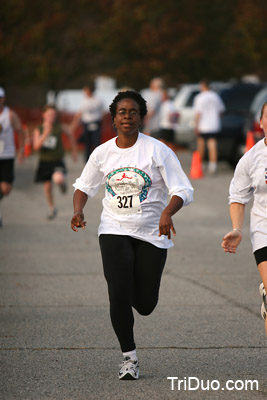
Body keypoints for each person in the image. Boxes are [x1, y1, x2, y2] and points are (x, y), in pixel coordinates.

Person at [71, 90, 194, 380]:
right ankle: (129, 357)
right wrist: (78, 210)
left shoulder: (157, 150)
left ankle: (137, 302)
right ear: (113, 119)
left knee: (146, 304)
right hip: (113, 229)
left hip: (152, 233)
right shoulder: (102, 152)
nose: (127, 116)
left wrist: (167, 212)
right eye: (122, 112)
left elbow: (183, 189)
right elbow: (84, 186)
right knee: (118, 292)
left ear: (141, 117)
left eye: (133, 112)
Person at [222, 101, 267, 334]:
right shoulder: (251, 158)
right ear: (261, 122)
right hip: (264, 229)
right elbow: (238, 197)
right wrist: (237, 229)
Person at [33, 105, 77, 220]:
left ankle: (62, 183)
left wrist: (74, 151)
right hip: (44, 161)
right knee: (47, 187)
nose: (51, 117)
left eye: (54, 115)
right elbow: (36, 146)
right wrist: (45, 135)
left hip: (57, 160)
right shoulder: (39, 129)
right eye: (49, 114)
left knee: (58, 178)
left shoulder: (59, 127)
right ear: (44, 115)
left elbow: (71, 134)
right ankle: (52, 208)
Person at [0, 87, 25, 227]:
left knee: (5, 189)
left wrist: (21, 150)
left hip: (7, 155)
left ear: (3, 99)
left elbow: (20, 131)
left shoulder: (10, 115)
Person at [193, 80, 225, 175]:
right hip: (214, 124)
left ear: (202, 86)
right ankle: (213, 166)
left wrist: (196, 124)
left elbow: (198, 113)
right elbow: (221, 111)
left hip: (203, 125)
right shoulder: (215, 96)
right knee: (213, 144)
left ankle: (200, 165)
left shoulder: (200, 97)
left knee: (201, 144)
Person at [71, 85, 103, 162]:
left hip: (96, 122)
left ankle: (99, 158)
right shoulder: (84, 101)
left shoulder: (98, 100)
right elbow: (80, 113)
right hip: (86, 123)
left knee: (96, 142)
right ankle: (87, 160)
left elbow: (102, 112)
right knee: (87, 142)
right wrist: (74, 124)